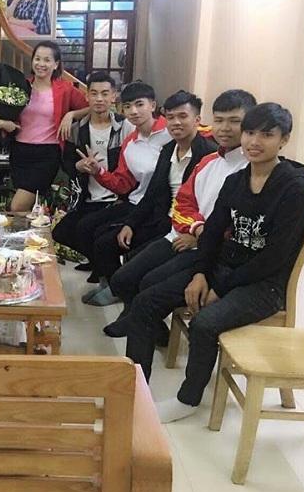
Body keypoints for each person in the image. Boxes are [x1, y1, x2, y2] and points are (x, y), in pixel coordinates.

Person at [123, 103, 304, 423]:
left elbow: (275, 257)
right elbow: (212, 234)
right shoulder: (236, 180)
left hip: (264, 284)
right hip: (224, 268)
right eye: (250, 133)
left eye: (267, 135)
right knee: (144, 302)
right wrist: (201, 274)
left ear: (284, 140)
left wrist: (220, 288)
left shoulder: (294, 188)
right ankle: (133, 391)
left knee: (204, 323)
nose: (254, 141)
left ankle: (188, 399)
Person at [106, 89, 256, 336]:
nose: (176, 122)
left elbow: (237, 221)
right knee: (123, 274)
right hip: (177, 226)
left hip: (198, 241)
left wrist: (198, 234)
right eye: (219, 120)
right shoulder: (176, 152)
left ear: (197, 119)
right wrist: (131, 223)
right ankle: (141, 319)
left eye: (182, 116)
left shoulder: (212, 155)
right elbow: (173, 199)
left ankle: (142, 319)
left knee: (147, 281)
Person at [76, 81, 172, 305]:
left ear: (152, 105)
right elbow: (123, 183)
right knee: (86, 227)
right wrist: (98, 171)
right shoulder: (130, 142)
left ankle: (118, 288)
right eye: (127, 107)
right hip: (136, 201)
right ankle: (109, 281)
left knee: (104, 241)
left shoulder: (171, 133)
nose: (134, 111)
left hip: (160, 208)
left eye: (140, 104)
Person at [0, 41, 90, 212]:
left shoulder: (65, 89)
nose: (41, 64)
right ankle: (31, 231)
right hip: (19, 152)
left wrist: (71, 115)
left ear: (56, 64)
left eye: (47, 60)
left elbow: (89, 107)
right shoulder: (20, 85)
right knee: (27, 209)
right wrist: (1, 123)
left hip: (47, 154)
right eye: (37, 59)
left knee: (17, 206)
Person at [54, 71, 134, 272]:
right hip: (88, 197)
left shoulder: (125, 127)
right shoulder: (76, 129)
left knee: (87, 227)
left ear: (113, 96)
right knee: (60, 232)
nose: (99, 99)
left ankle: (102, 269)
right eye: (94, 93)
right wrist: (78, 166)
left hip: (117, 198)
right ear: (87, 96)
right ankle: (96, 261)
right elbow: (67, 163)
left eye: (105, 94)